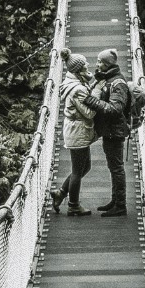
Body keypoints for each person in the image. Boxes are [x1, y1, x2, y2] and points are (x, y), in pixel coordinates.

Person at [85, 47, 130, 217]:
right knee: (113, 167)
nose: (96, 64)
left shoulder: (118, 84)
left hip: (115, 131)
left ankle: (120, 206)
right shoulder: (109, 79)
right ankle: (115, 201)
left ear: (107, 64)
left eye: (99, 62)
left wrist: (92, 102)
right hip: (110, 130)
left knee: (117, 168)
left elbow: (115, 109)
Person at [51, 52, 97, 216]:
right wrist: (99, 102)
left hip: (76, 129)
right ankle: (73, 205)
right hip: (78, 131)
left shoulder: (74, 81)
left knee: (86, 167)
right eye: (84, 65)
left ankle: (61, 193)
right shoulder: (77, 89)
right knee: (78, 170)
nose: (87, 66)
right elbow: (89, 113)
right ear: (78, 70)